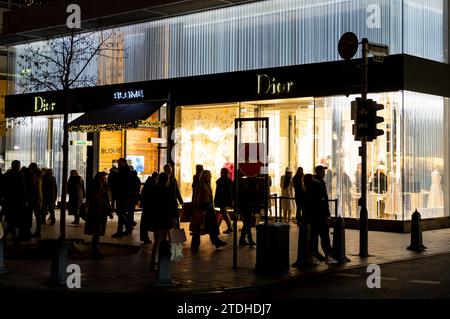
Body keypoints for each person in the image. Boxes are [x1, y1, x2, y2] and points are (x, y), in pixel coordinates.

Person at [148, 172, 179, 270]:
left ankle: (152, 262)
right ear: (167, 180)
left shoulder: (154, 190)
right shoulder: (168, 191)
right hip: (165, 219)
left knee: (156, 241)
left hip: (156, 219)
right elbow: (172, 205)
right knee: (164, 240)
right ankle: (163, 260)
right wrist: (174, 217)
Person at [189, 170, 227, 252]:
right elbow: (199, 198)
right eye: (209, 175)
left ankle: (216, 241)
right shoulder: (201, 185)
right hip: (203, 210)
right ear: (205, 176)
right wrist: (203, 207)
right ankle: (195, 245)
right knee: (199, 228)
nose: (211, 177)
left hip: (208, 209)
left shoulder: (205, 185)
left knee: (212, 227)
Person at [312, 165, 337, 265]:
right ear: (318, 172)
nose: (324, 173)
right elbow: (322, 201)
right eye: (322, 171)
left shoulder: (317, 182)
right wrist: (326, 214)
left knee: (317, 237)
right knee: (325, 237)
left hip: (317, 215)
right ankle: (328, 257)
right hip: (320, 215)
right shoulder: (318, 184)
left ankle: (317, 255)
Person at [84, 172, 113, 258]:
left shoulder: (104, 186)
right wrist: (101, 191)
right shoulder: (96, 187)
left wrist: (109, 212)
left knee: (98, 232)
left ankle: (96, 249)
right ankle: (95, 250)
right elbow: (93, 197)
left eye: (105, 178)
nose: (104, 180)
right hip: (96, 212)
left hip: (101, 211)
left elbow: (106, 201)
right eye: (103, 178)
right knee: (96, 232)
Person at [2, 160, 27, 244]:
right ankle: (9, 237)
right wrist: (25, 200)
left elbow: (3, 188)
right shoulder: (20, 174)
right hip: (18, 201)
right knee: (15, 220)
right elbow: (22, 188)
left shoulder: (6, 175)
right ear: (18, 166)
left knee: (11, 220)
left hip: (8, 201)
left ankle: (11, 237)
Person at [111, 158, 134, 238]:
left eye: (120, 163)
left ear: (124, 163)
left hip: (122, 195)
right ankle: (124, 229)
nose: (119, 164)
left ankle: (127, 227)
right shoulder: (125, 171)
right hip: (123, 195)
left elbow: (122, 184)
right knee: (120, 212)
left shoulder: (124, 171)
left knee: (120, 212)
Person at [139, 171, 158, 244]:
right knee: (146, 222)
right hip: (149, 206)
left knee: (145, 222)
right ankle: (146, 238)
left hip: (147, 206)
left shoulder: (148, 182)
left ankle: (145, 237)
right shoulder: (152, 183)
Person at [214, 167, 233, 234]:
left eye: (221, 172)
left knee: (223, 213)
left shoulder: (221, 181)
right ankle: (218, 228)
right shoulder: (228, 180)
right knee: (223, 213)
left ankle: (228, 227)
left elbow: (219, 192)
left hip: (222, 200)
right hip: (224, 200)